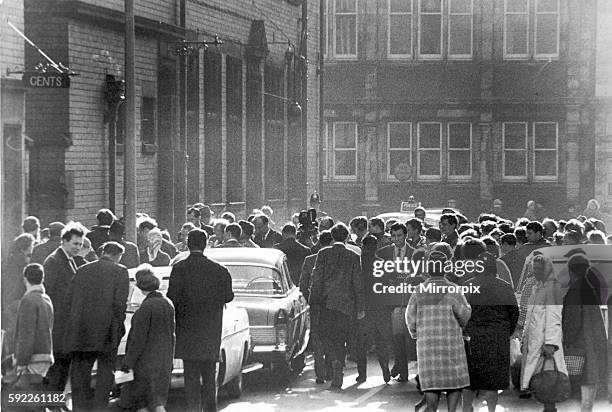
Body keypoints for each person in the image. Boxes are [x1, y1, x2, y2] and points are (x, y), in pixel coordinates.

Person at [167, 229, 234, 412]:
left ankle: (193, 408)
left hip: (187, 330)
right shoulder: (219, 270)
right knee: (209, 374)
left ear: (188, 244)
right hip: (210, 331)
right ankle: (210, 409)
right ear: (206, 244)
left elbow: (171, 298)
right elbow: (228, 297)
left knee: (191, 375)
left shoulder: (179, 268)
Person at [63, 242, 129, 411]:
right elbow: (120, 305)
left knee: (80, 373)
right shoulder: (120, 272)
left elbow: (69, 300)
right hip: (107, 332)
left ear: (103, 252)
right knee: (105, 374)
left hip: (81, 331)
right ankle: (100, 408)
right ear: (117, 255)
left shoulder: (82, 270)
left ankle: (80, 408)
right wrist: (117, 329)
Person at [406, 251, 471, 412]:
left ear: (428, 269)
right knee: (454, 382)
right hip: (451, 342)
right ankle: (451, 410)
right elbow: (464, 314)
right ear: (445, 269)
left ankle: (432, 409)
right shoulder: (454, 289)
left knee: (431, 383)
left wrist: (416, 334)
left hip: (427, 343)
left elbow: (410, 317)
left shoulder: (419, 290)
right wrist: (462, 326)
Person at [309, 223, 364, 389]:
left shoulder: (323, 253)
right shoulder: (353, 256)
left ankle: (333, 361)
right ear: (347, 237)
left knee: (327, 336)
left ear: (332, 237)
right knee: (342, 338)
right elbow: (358, 283)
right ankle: (339, 363)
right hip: (346, 305)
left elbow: (316, 279)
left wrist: (313, 301)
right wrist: (360, 307)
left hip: (327, 303)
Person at [462, 252, 519, 412]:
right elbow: (514, 312)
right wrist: (506, 332)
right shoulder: (505, 286)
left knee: (471, 379)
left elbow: (460, 312)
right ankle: (491, 410)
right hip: (498, 337)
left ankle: (467, 409)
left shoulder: (468, 285)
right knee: (492, 381)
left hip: (473, 338)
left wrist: (465, 330)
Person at [119, 265, 175, 412]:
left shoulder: (146, 308)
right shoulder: (167, 304)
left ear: (140, 286)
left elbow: (138, 339)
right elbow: (172, 335)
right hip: (163, 361)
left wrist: (128, 362)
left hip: (145, 364)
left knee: (142, 403)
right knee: (158, 402)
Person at [520, 255, 567, 412]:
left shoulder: (552, 288)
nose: (536, 272)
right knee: (540, 379)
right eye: (534, 269)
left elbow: (554, 316)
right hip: (534, 341)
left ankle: (550, 408)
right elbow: (530, 315)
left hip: (546, 344)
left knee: (548, 378)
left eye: (539, 269)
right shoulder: (538, 287)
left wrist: (550, 343)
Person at [562, 254, 607, 412]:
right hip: (593, 341)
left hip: (581, 343)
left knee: (583, 380)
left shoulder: (575, 291)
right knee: (589, 380)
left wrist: (566, 340)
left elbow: (572, 321)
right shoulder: (589, 288)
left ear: (571, 271)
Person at [42, 225, 84, 394]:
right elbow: (49, 293)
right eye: (75, 243)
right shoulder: (54, 261)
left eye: (80, 244)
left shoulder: (69, 259)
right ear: (64, 241)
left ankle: (56, 402)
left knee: (63, 367)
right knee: (57, 368)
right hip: (59, 326)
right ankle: (52, 403)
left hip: (66, 326)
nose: (78, 247)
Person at [376, 222, 415, 381]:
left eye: (399, 235)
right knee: (396, 337)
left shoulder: (414, 253)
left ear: (405, 235)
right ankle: (400, 367)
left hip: (408, 300)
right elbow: (378, 275)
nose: (396, 239)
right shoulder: (383, 252)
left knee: (404, 338)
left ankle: (401, 368)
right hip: (390, 301)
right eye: (393, 236)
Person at [12, 264, 54, 400]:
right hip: (45, 354)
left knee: (28, 400)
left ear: (25, 279)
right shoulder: (46, 299)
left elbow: (26, 334)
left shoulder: (28, 300)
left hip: (32, 356)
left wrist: (21, 360)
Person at [299, 230, 333, 384]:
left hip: (315, 304)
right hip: (332, 304)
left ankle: (319, 372)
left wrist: (308, 301)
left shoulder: (309, 260)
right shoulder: (336, 260)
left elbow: (303, 285)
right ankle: (331, 369)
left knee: (317, 338)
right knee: (331, 338)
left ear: (319, 242)